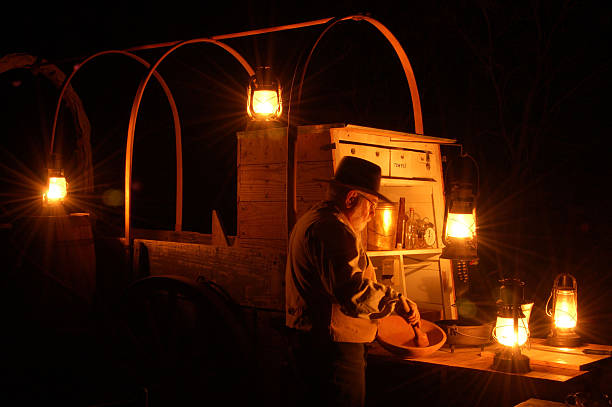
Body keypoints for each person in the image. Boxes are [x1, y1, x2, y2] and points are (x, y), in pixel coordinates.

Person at [285, 156, 421, 407]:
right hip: (334, 353)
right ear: (350, 198)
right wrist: (395, 301)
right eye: (372, 205)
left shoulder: (312, 220)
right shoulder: (333, 230)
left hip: (315, 346)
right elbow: (352, 292)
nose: (372, 214)